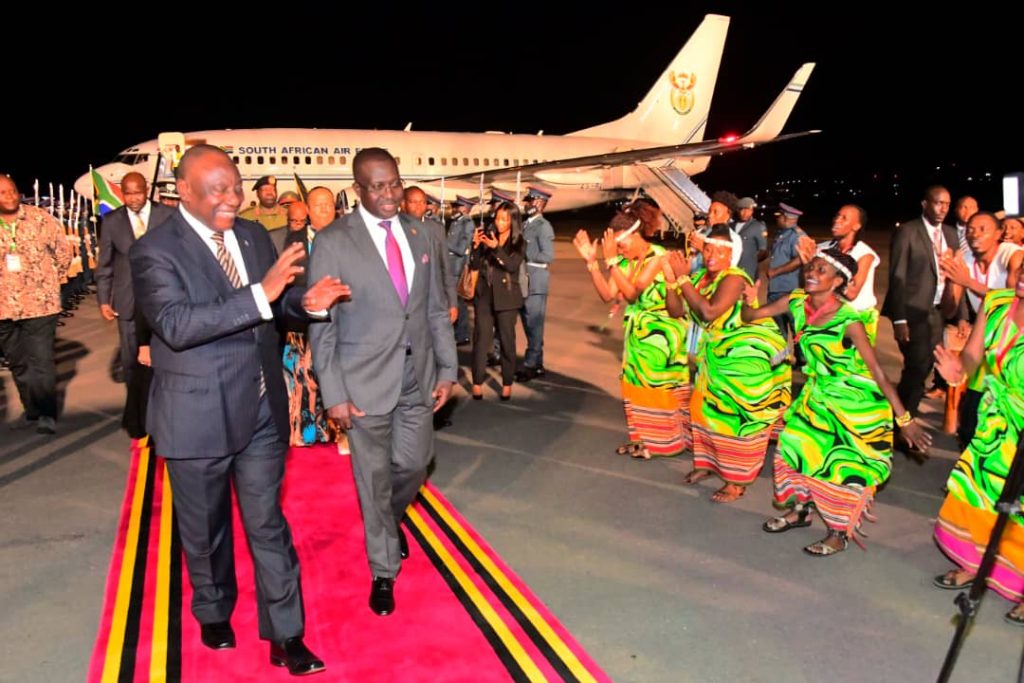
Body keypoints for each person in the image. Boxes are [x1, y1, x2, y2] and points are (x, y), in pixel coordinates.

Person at [131, 145, 347, 675]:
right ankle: (213, 608)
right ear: (182, 190)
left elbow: (276, 304)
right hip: (196, 414)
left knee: (268, 523)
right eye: (218, 189)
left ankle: (286, 634)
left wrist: (305, 304)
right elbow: (177, 325)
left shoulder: (251, 234)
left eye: (236, 186)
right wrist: (263, 293)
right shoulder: (154, 251)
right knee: (204, 530)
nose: (233, 198)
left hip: (260, 412)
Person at [308, 148, 457, 617]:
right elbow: (322, 324)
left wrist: (449, 370)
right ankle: (383, 570)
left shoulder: (425, 233)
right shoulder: (333, 240)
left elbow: (434, 308)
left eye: (394, 183)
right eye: (378, 186)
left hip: (419, 377)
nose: (390, 194)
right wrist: (333, 393)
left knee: (416, 463)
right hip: (363, 383)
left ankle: (385, 526)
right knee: (372, 479)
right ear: (358, 190)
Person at [744, 248, 930, 555]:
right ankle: (801, 511)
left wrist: (905, 421)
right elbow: (750, 316)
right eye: (811, 268)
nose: (811, 273)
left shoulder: (849, 321)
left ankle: (838, 532)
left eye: (821, 271)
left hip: (853, 403)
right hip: (817, 395)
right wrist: (750, 296)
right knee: (793, 448)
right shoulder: (795, 302)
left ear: (838, 281)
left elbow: (880, 374)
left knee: (840, 468)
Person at [664, 224, 791, 502]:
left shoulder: (735, 278)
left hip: (742, 360)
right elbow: (675, 311)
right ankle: (708, 465)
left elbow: (708, 312)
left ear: (732, 255)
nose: (712, 255)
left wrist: (684, 280)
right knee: (704, 412)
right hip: (715, 357)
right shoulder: (698, 278)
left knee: (735, 421)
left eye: (721, 251)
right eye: (708, 248)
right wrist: (672, 280)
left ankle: (737, 480)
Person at [931, 279, 1024, 625]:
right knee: (976, 492)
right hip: (995, 420)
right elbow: (973, 355)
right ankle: (977, 565)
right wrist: (958, 373)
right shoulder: (997, 301)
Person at [573, 211, 690, 459]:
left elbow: (633, 294)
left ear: (635, 235)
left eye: (621, 245)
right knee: (634, 387)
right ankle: (643, 440)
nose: (620, 250)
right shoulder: (625, 262)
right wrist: (592, 262)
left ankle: (664, 444)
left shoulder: (658, 257)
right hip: (637, 337)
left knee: (656, 389)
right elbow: (608, 294)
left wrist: (612, 263)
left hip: (662, 337)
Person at [881, 186, 960, 451]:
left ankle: (901, 419)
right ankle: (902, 424)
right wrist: (899, 319)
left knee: (924, 367)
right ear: (925, 204)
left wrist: (957, 315)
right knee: (916, 368)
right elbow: (897, 276)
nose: (943, 209)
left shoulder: (951, 235)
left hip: (938, 312)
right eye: (938, 203)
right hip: (913, 312)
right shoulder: (908, 231)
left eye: (947, 204)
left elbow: (955, 277)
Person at [95, 172, 175, 434]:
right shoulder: (111, 221)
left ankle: (164, 412)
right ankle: (138, 414)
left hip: (164, 300)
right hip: (128, 303)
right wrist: (104, 299)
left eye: (137, 193)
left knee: (165, 358)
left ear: (147, 189)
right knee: (132, 362)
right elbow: (104, 264)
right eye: (128, 194)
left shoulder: (168, 215)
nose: (133, 199)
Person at [0, 175, 72, 435]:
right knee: (18, 362)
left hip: (40, 305)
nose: (9, 196)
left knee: (41, 360)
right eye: (2, 193)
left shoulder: (40, 218)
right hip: (3, 309)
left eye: (12, 191)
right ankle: (30, 408)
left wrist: (48, 282)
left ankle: (46, 412)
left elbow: (63, 253)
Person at [469, 201, 526, 400]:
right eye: (497, 217)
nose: (499, 222)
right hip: (484, 296)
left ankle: (507, 382)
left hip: (507, 299)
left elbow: (511, 265)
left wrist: (496, 248)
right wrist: (476, 246)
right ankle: (477, 382)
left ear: (513, 221)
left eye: (504, 219)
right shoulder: (488, 236)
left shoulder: (519, 242)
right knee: (481, 339)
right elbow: (475, 264)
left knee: (507, 342)